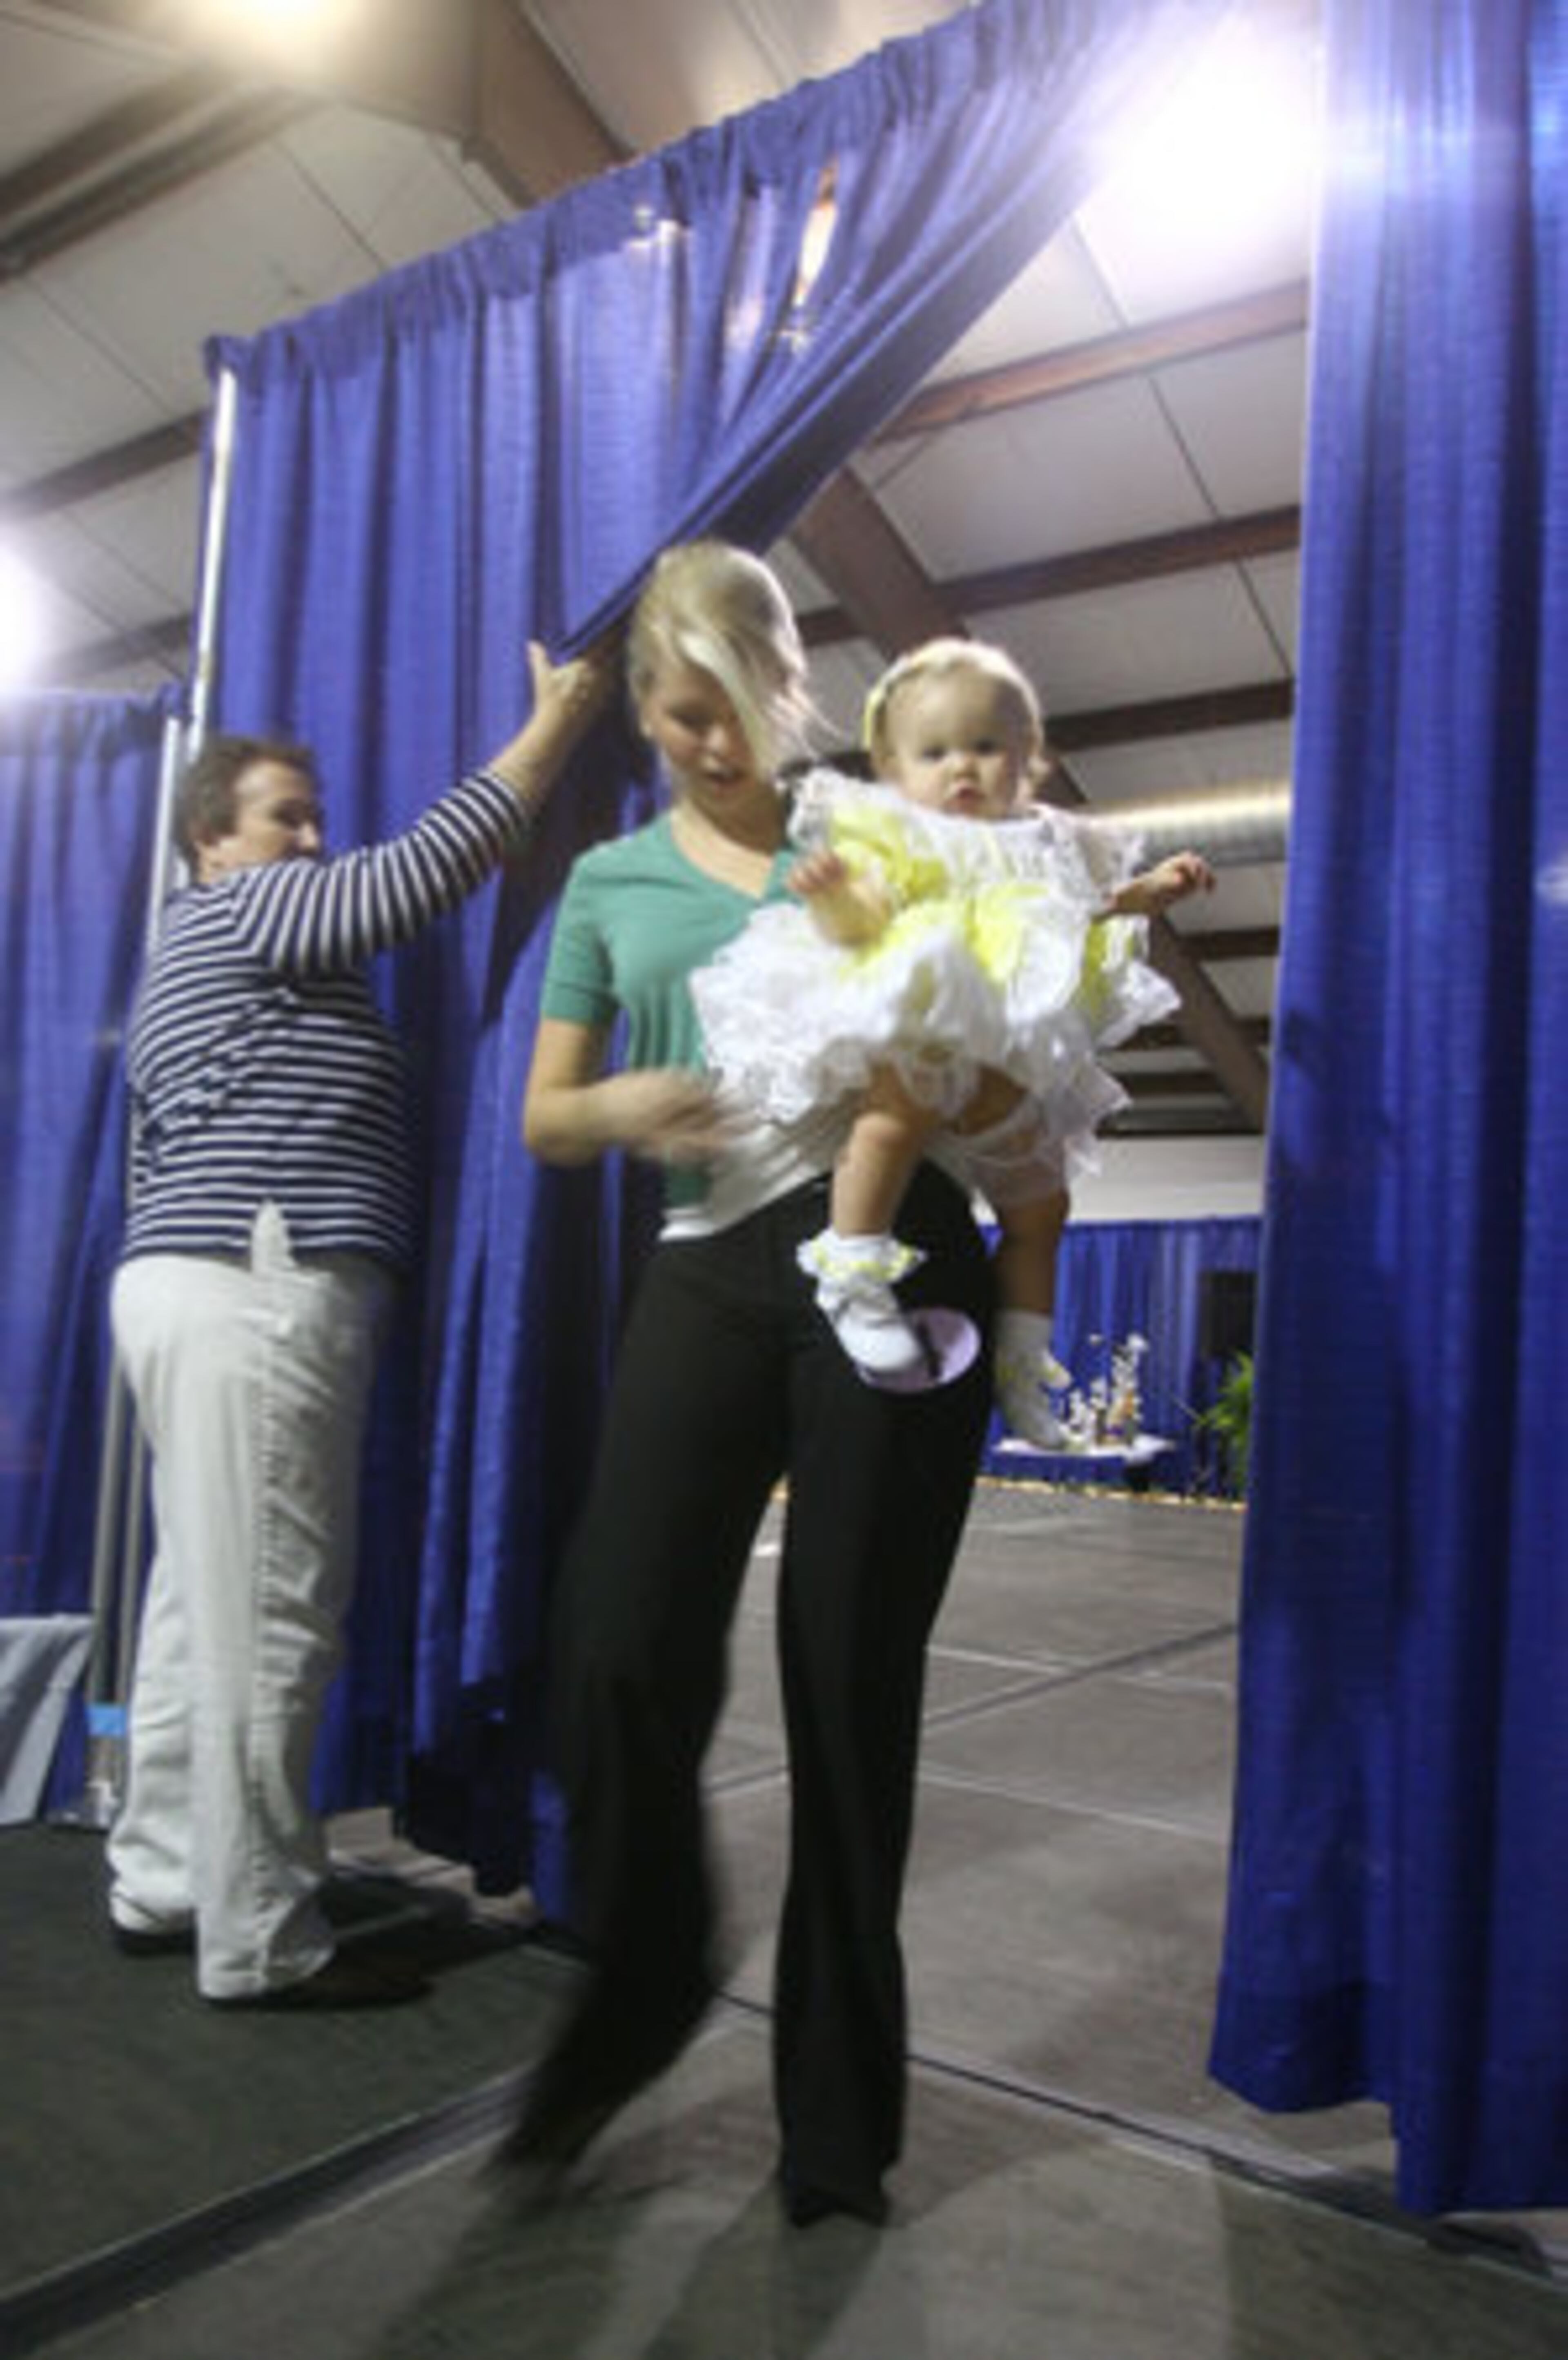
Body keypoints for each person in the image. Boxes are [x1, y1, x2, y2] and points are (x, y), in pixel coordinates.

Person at [505, 542, 997, 2226]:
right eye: (675, 714)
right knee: (616, 1645)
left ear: (789, 691)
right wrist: (622, 1106)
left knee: (852, 1681)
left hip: (888, 1243)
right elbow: (544, 1116)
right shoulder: (612, 885)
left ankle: (837, 2131)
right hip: (708, 1259)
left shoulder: (875, 824)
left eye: (734, 710)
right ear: (646, 705)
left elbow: (997, 984)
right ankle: (648, 1969)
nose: (708, 744)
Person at [105, 639, 615, 2010]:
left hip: (189, 1281)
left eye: (313, 821)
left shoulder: (196, 948)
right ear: (216, 843)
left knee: (192, 1610)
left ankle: (163, 1874)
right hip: (258, 1280)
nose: (314, 842)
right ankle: (259, 1937)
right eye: (287, 818)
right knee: (271, 1615)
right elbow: (426, 869)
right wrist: (556, 728)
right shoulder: (248, 913)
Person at [693, 635, 1214, 1443]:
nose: (962, 768)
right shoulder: (902, 837)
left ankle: (1021, 1363)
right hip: (930, 1037)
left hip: (1007, 1078)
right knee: (892, 1114)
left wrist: (1156, 890)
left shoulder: (1047, 844)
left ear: (1028, 759)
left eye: (986, 747)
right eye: (935, 752)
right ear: (895, 771)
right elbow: (866, 915)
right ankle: (854, 1267)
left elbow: (1096, 903)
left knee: (1044, 1209)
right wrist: (836, 898)